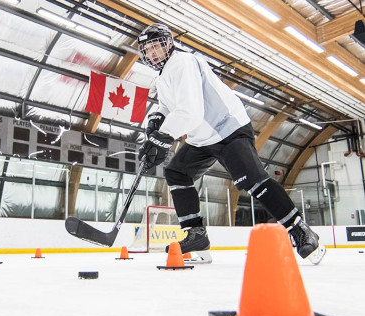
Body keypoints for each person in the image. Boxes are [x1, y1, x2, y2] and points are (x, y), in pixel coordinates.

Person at [136, 23, 326, 264]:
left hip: (228, 129)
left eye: (156, 46)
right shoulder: (162, 76)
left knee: (254, 181)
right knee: (177, 172)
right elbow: (166, 107)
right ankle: (196, 235)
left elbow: (191, 112)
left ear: (168, 44)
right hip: (202, 138)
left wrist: (162, 138)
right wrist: (153, 123)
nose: (153, 53)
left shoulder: (182, 62)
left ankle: (299, 229)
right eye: (148, 49)